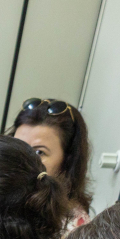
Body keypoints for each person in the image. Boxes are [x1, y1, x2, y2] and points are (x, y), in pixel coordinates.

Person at [8, 97, 92, 227]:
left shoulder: (72, 227)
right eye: (17, 146)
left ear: (67, 161)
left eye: (39, 152)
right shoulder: (10, 197)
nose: (21, 159)